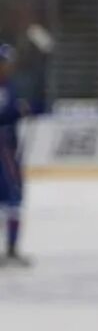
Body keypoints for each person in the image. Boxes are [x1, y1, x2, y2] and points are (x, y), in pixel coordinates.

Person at [0, 44, 37, 268]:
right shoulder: (4, 87)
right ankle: (11, 249)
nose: (8, 67)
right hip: (4, 148)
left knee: (12, 199)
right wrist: (18, 110)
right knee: (13, 197)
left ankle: (12, 248)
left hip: (8, 146)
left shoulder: (9, 85)